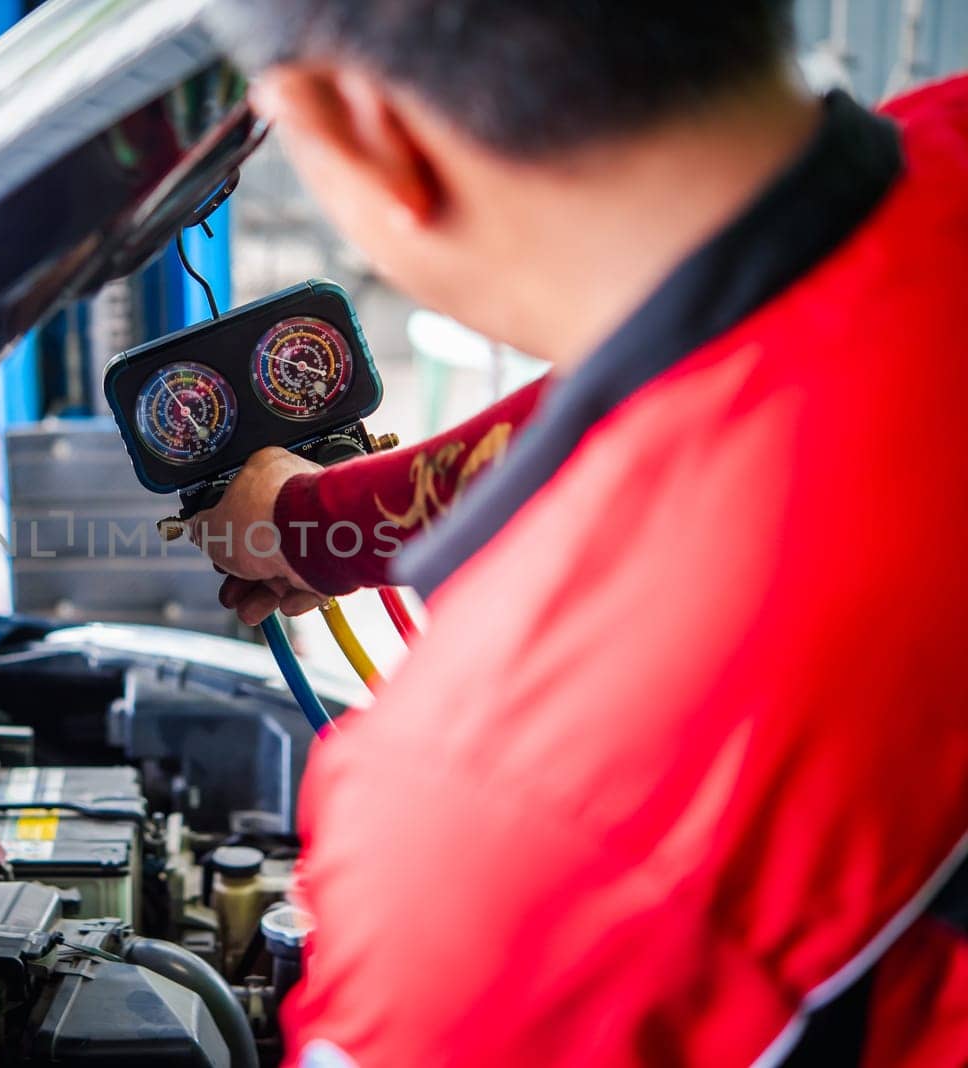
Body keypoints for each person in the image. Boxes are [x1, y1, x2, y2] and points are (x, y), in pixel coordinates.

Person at [192, 3, 968, 1065]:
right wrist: (317, 522)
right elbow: (725, 344)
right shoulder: (948, 140)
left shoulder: (497, 818)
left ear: (358, 122)